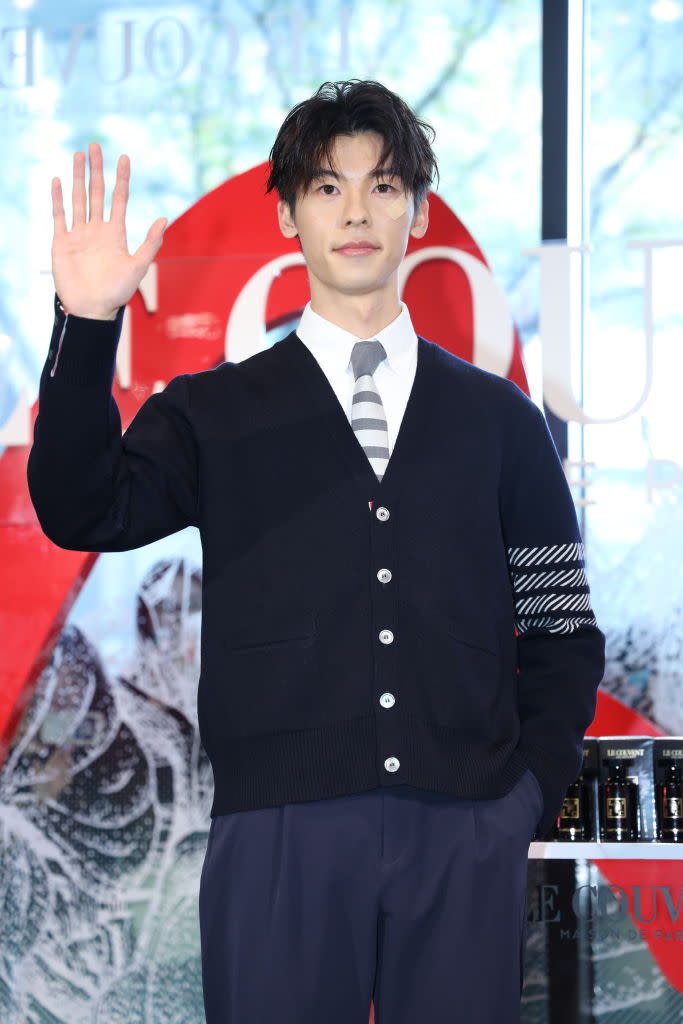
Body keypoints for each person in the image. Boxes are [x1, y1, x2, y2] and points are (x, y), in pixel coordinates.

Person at [27, 79, 605, 1023]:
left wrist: (520, 801)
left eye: (382, 187)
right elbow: (81, 508)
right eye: (328, 187)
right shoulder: (214, 411)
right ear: (290, 211)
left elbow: (559, 627)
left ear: (415, 214)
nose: (356, 212)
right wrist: (88, 326)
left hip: (465, 831)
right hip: (275, 839)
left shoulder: (498, 420)